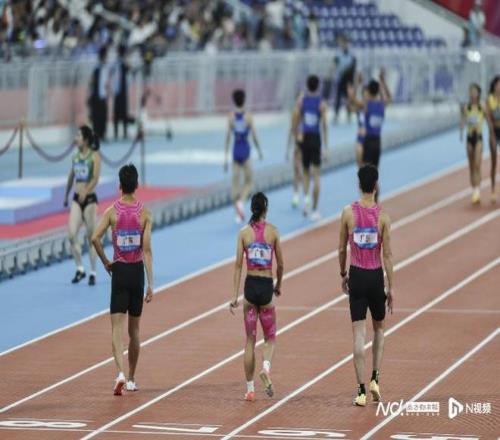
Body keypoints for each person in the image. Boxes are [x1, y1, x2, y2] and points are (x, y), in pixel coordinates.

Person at [91, 163, 154, 395]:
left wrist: (105, 262)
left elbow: (94, 238)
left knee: (116, 329)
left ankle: (119, 373)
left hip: (119, 272)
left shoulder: (112, 212)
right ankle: (131, 379)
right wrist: (150, 284)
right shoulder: (145, 213)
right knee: (134, 331)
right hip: (137, 273)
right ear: (136, 185)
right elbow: (147, 251)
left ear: (119, 186)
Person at [338, 164, 394, 407]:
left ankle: (360, 391)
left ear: (359, 185)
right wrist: (391, 287)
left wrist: (343, 273)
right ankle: (375, 378)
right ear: (376, 186)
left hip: (357, 276)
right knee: (379, 329)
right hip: (375, 277)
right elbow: (387, 255)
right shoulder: (383, 217)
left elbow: (341, 249)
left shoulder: (347, 213)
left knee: (358, 335)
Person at [229, 192, 284, 401]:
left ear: (252, 209)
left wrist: (235, 296)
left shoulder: (243, 234)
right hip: (266, 286)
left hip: (250, 288)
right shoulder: (273, 232)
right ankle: (266, 368)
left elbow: (237, 266)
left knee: (250, 340)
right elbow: (281, 264)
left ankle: (250, 389)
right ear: (266, 209)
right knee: (270, 337)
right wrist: (278, 285)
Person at [64, 125, 101, 286]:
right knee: (72, 235)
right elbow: (71, 177)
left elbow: (95, 178)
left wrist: (86, 190)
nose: (76, 138)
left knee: (91, 237)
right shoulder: (75, 156)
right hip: (76, 199)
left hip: (90, 200)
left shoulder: (94, 157)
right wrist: (66, 195)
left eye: (78, 136)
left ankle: (93, 271)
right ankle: (80, 268)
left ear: (85, 140)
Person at [224, 89, 264, 224]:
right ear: (244, 100)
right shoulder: (249, 116)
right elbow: (254, 136)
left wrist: (225, 159)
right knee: (249, 182)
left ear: (234, 101)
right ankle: (241, 202)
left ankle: (238, 214)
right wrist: (259, 151)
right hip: (245, 150)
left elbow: (227, 138)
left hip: (236, 150)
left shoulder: (230, 117)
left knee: (235, 183)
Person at [293, 75, 329, 220]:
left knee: (306, 172)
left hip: (305, 139)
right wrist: (326, 146)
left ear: (307, 86)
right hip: (315, 139)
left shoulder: (301, 102)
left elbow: (296, 121)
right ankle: (314, 209)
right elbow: (324, 125)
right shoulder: (321, 104)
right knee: (317, 175)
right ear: (318, 86)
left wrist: (297, 137)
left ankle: (306, 201)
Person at [348, 69, 392, 170]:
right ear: (378, 91)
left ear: (368, 91)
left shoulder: (366, 105)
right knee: (374, 173)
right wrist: (383, 83)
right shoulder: (382, 105)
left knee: (365, 173)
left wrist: (357, 83)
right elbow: (390, 97)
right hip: (377, 142)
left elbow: (352, 100)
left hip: (367, 141)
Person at [461, 83, 485, 204]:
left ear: (478, 93)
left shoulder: (482, 106)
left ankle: (477, 191)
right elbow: (463, 121)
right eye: (471, 92)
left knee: (477, 164)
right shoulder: (467, 107)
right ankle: (474, 189)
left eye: (475, 92)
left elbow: (488, 119)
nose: (473, 94)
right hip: (469, 138)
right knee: (471, 165)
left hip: (478, 137)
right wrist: (461, 131)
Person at [332, 35, 356, 124]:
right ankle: (336, 115)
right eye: (342, 43)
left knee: (349, 98)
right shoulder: (338, 54)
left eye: (345, 43)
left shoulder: (352, 54)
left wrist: (346, 71)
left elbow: (353, 66)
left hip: (348, 80)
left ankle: (349, 114)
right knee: (338, 97)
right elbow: (334, 64)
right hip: (340, 79)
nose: (343, 44)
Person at [89, 46, 110, 142]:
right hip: (96, 96)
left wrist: (107, 92)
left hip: (103, 95)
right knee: (96, 117)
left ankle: (102, 134)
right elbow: (92, 82)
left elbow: (105, 83)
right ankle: (96, 135)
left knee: (103, 116)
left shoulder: (105, 67)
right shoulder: (97, 68)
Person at [286, 91, 303, 208]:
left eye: (302, 99)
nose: (301, 101)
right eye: (299, 99)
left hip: (307, 145)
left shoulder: (307, 112)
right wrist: (288, 149)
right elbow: (291, 131)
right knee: (296, 171)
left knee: (304, 171)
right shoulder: (295, 113)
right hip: (298, 145)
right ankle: (296, 195)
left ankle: (305, 195)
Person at [485, 75, 500, 203]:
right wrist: (491, 134)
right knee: (494, 161)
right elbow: (488, 118)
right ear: (494, 86)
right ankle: (493, 190)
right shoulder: (489, 100)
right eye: (498, 84)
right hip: (494, 131)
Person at [112, 44, 130, 140]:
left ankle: (123, 133)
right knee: (119, 112)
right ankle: (118, 133)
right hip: (119, 90)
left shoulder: (121, 62)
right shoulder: (117, 62)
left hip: (121, 90)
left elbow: (128, 69)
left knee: (122, 112)